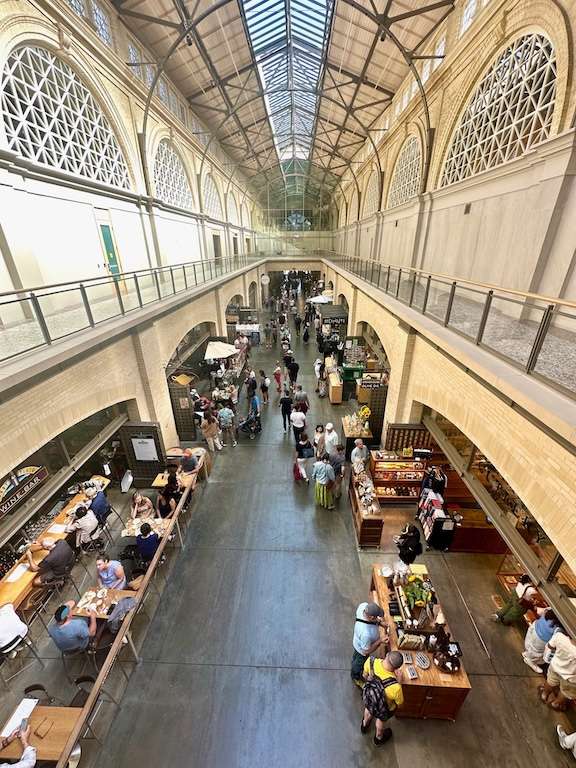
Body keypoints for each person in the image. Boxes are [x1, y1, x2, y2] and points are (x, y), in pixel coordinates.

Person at [361, 651, 404, 747]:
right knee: (380, 721)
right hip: (384, 709)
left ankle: (364, 725)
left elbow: (364, 676)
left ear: (387, 655)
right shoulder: (396, 687)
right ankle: (378, 738)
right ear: (397, 669)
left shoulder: (370, 661)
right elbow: (400, 705)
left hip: (369, 698)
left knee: (368, 710)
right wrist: (400, 682)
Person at [351, 601, 386, 686]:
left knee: (355, 657)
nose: (378, 618)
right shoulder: (365, 634)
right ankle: (355, 677)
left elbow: (371, 620)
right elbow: (366, 651)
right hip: (362, 651)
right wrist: (380, 641)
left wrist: (380, 623)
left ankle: (354, 660)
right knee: (359, 663)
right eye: (376, 617)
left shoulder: (363, 606)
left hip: (357, 642)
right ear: (371, 617)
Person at [539, 631, 576, 710]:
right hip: (570, 678)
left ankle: (544, 694)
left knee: (550, 682)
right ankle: (556, 704)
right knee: (566, 692)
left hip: (555, 667)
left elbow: (550, 646)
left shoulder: (559, 636)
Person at [522, 608, 560, 672]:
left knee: (530, 643)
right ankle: (530, 661)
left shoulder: (549, 610)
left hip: (534, 627)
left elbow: (539, 611)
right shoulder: (558, 626)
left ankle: (527, 653)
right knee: (537, 653)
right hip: (542, 639)